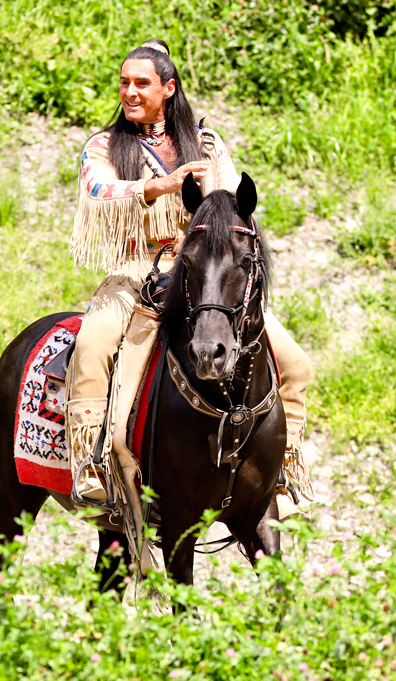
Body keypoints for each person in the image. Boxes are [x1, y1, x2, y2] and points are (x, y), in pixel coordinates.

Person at [67, 40, 313, 520]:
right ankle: (91, 466)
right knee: (93, 346)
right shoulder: (104, 146)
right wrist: (153, 186)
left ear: (168, 88)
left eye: (142, 83)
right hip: (134, 273)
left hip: (201, 276)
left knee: (296, 362)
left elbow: (223, 208)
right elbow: (97, 188)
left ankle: (282, 467)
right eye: (124, 82)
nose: (130, 92)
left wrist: (206, 212)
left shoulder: (205, 145)